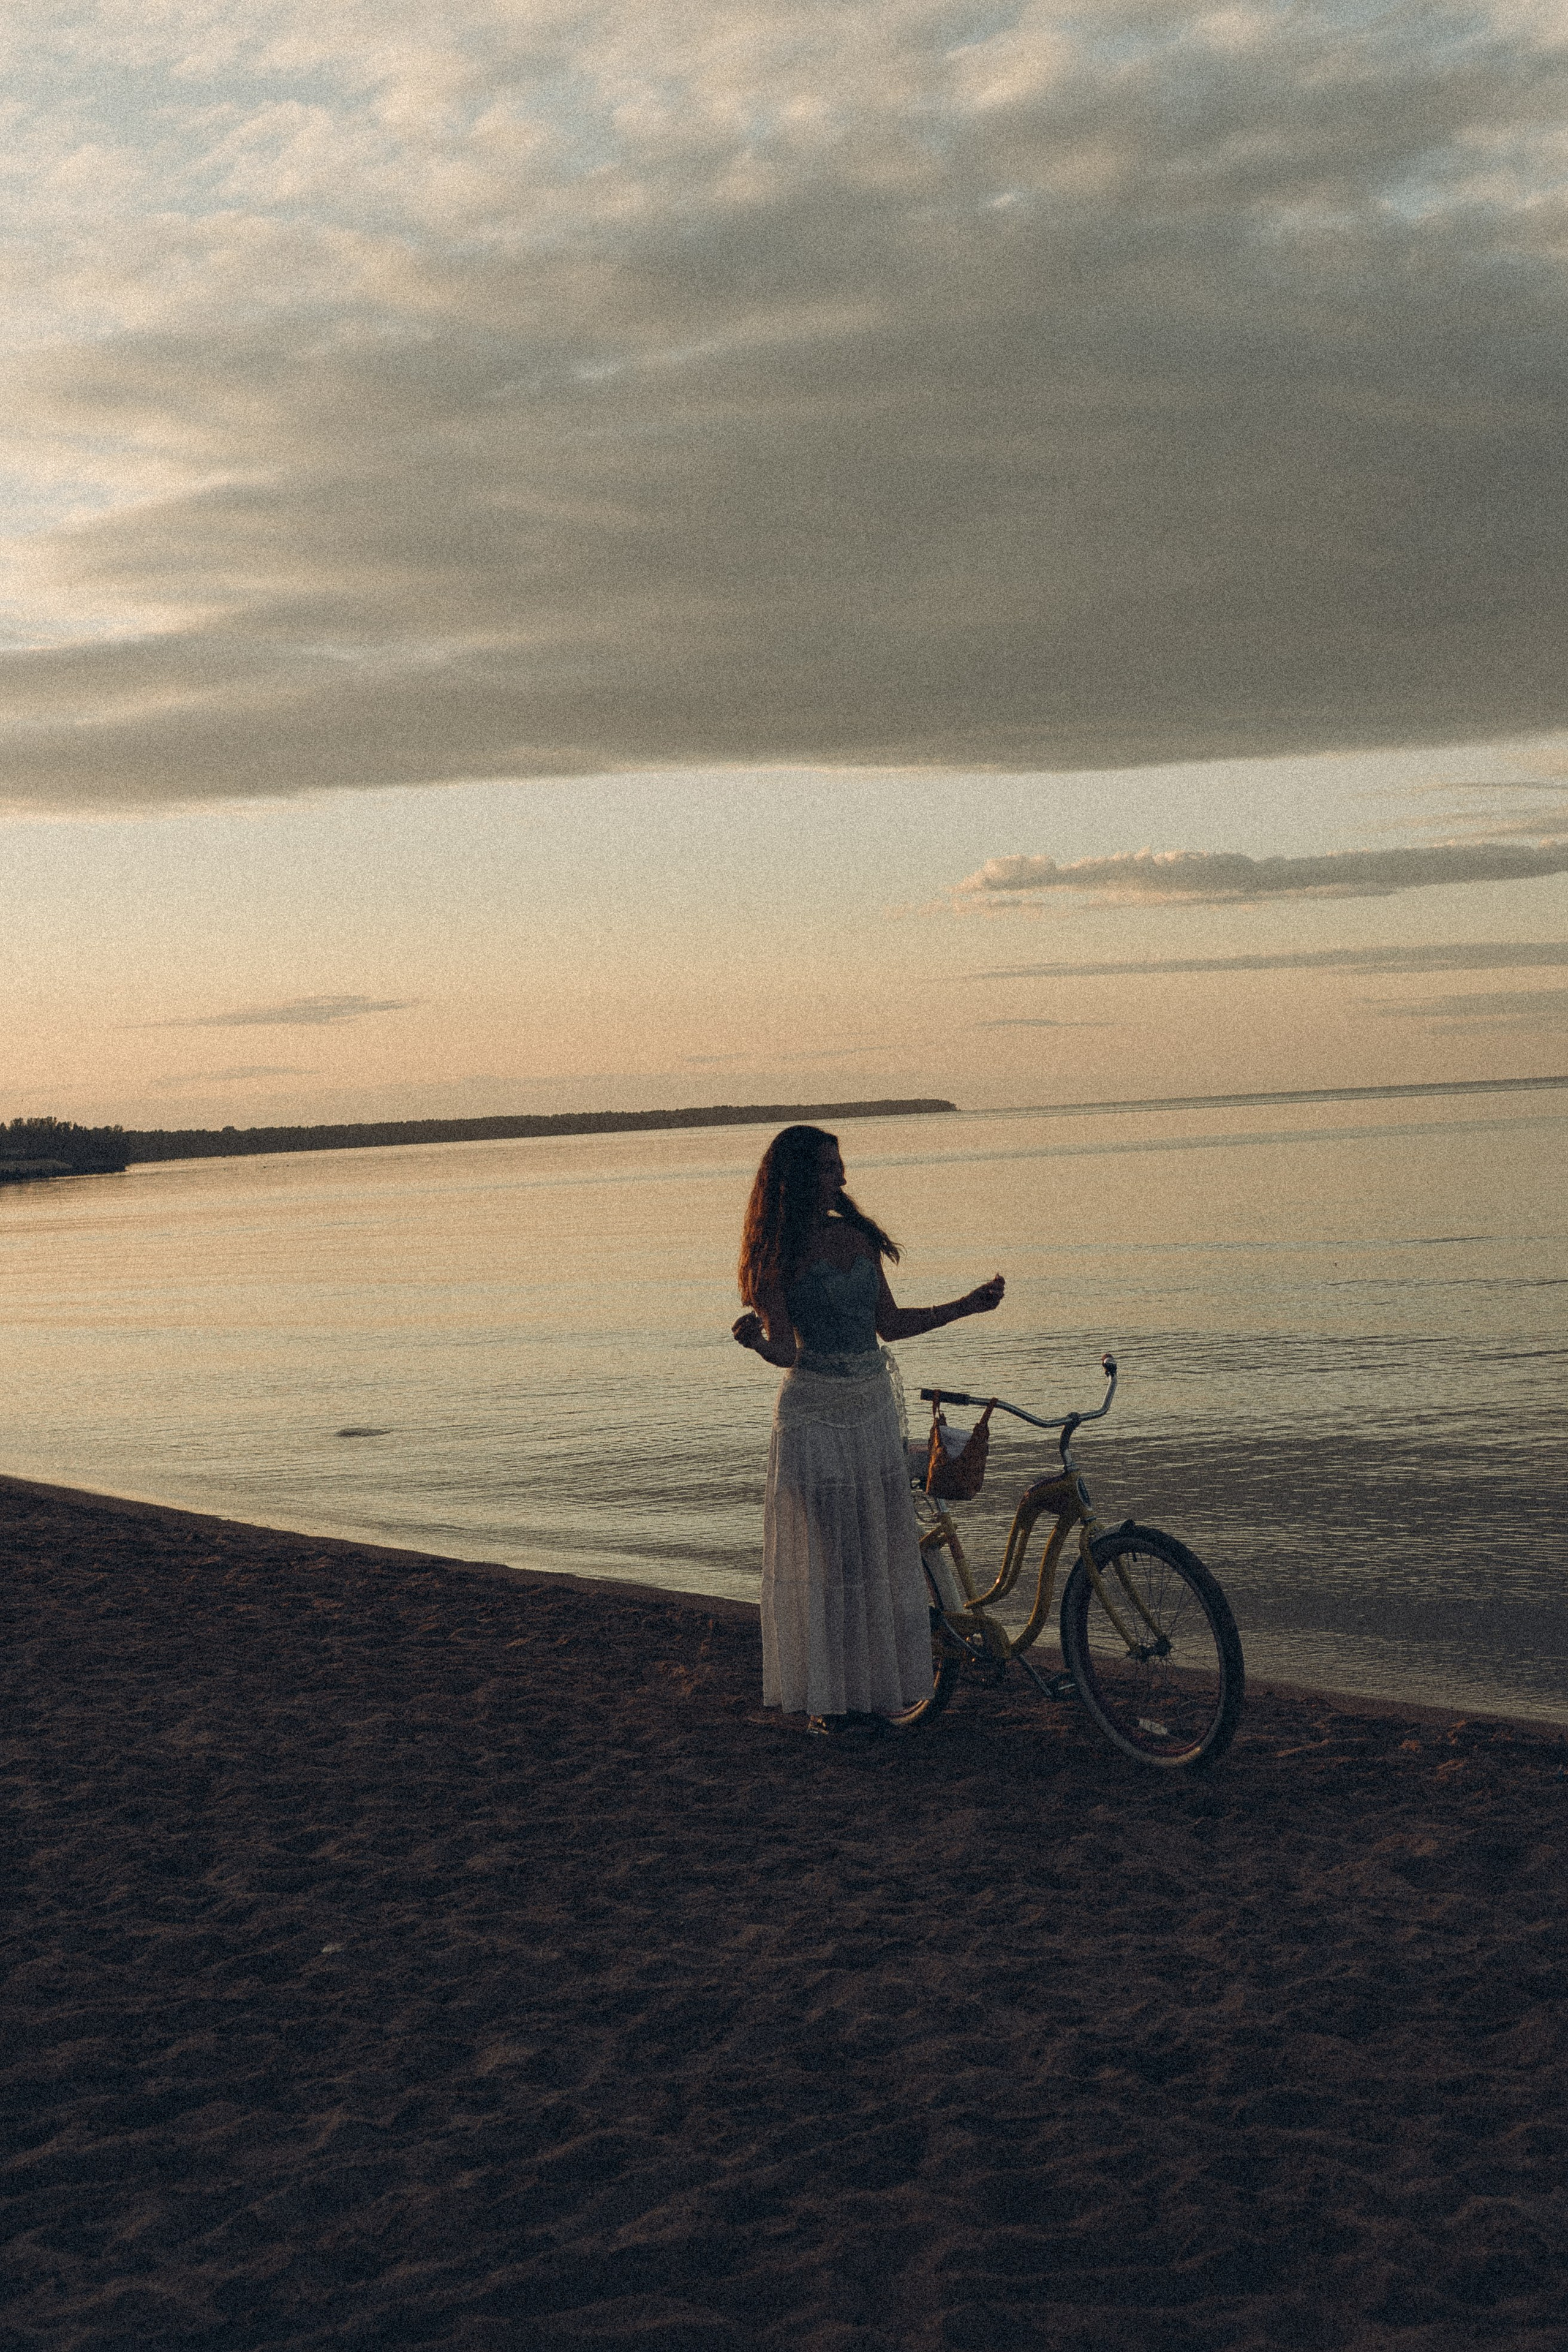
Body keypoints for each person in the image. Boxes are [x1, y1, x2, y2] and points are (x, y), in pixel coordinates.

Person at [732, 1125, 1005, 1732]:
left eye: (840, 1165)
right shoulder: (774, 1254)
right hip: (812, 1415)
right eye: (829, 1167)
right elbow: (785, 1351)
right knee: (834, 1562)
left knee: (876, 1556)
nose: (842, 1177)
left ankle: (877, 1691)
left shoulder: (858, 1237)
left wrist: (967, 1305)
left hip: (870, 1408)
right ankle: (833, 1704)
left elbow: (889, 1324)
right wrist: (756, 1345)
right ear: (799, 1178)